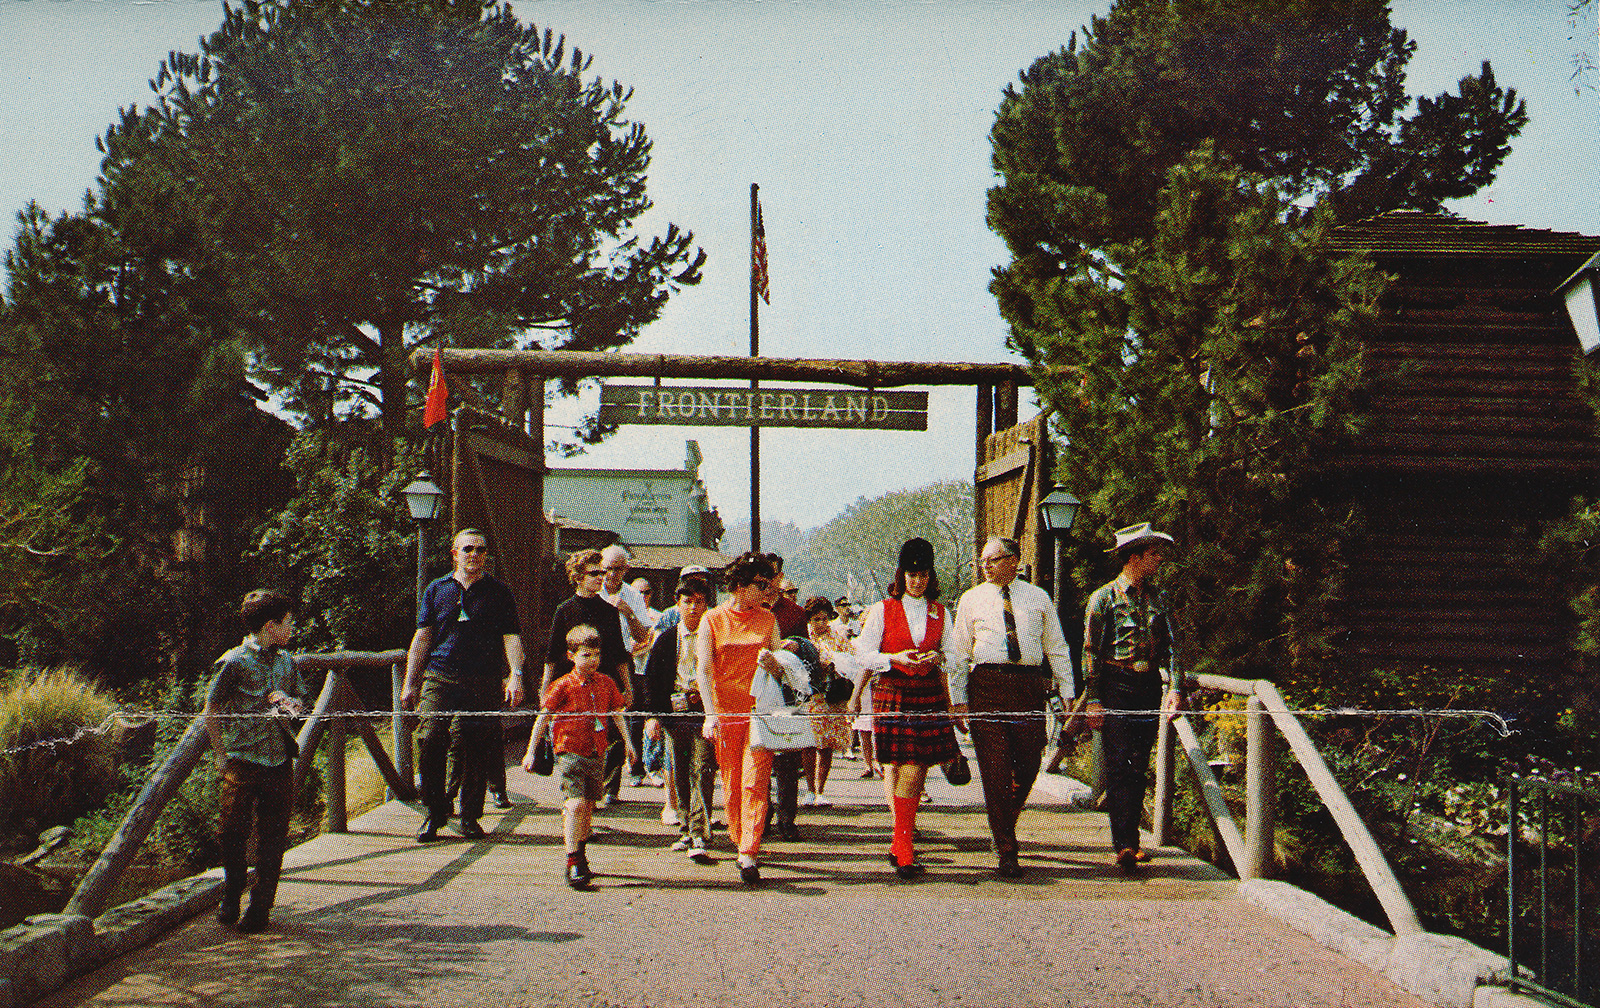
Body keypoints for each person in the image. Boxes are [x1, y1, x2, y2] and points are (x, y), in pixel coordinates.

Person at [948, 536, 1075, 878]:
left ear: (1014, 560)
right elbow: (959, 654)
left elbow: (1057, 646)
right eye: (982, 561)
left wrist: (1067, 688)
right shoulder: (971, 599)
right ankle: (1007, 847)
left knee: (1031, 760)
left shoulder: (1038, 598)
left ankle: (1004, 821)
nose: (984, 566)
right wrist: (957, 699)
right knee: (995, 768)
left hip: (1027, 686)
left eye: (992, 559)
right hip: (985, 686)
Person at [402, 529, 526, 843]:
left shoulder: (499, 592)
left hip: (482, 678)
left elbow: (511, 636)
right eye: (468, 549)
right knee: (429, 736)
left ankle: (470, 815)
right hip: (440, 675)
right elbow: (423, 638)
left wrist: (515, 675)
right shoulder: (437, 589)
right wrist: (410, 683)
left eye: (481, 549)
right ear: (455, 553)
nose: (475, 554)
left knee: (476, 744)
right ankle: (435, 811)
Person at [852, 539, 960, 879]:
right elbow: (863, 655)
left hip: (927, 694)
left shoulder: (941, 611)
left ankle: (901, 844)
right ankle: (903, 846)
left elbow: (956, 656)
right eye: (912, 574)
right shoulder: (883, 608)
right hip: (893, 691)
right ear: (903, 575)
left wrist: (939, 656)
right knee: (901, 769)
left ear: (930, 575)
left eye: (924, 574)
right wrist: (893, 659)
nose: (917, 581)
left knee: (915, 769)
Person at [1084, 522, 1187, 873]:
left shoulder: (1159, 598)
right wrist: (1093, 698)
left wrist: (1174, 688)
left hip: (1147, 687)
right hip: (1115, 683)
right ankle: (1124, 843)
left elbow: (1172, 647)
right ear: (1134, 557)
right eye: (1153, 553)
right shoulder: (1104, 598)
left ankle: (1131, 839)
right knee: (1118, 762)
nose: (1159, 559)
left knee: (1139, 763)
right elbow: (1090, 653)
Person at [203, 590, 304, 933]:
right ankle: (232, 891)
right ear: (271, 625)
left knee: (274, 836)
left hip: (278, 761)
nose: (293, 628)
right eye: (289, 622)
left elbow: (299, 705)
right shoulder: (233, 661)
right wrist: (219, 754)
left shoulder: (287, 662)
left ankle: (261, 907)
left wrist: (288, 704)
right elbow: (212, 707)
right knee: (232, 831)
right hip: (242, 760)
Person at [696, 551, 784, 885]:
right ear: (739, 585)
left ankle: (749, 851)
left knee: (755, 780)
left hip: (760, 712)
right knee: (732, 784)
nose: (766, 591)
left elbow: (782, 666)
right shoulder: (712, 619)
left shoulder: (768, 620)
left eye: (768, 584)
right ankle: (738, 838)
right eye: (760, 585)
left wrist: (775, 663)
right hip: (726, 713)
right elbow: (704, 669)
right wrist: (710, 714)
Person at [523, 624, 634, 889]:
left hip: (597, 751)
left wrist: (629, 744)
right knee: (575, 804)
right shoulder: (562, 685)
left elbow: (617, 712)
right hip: (569, 751)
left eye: (596, 655)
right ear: (572, 656)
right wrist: (530, 750)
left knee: (588, 806)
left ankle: (581, 854)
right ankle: (572, 860)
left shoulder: (606, 683)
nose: (592, 660)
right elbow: (543, 717)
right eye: (585, 655)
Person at [542, 549, 634, 808]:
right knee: (573, 742)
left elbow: (618, 654)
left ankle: (590, 800)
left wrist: (627, 688)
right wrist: (544, 689)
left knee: (601, 741)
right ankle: (576, 804)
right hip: (571, 688)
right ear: (578, 577)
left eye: (603, 572)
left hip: (602, 688)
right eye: (595, 573)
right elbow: (551, 654)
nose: (601, 577)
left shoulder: (609, 610)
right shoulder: (564, 610)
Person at [641, 576, 718, 862]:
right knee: (680, 770)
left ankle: (700, 830)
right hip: (675, 714)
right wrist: (654, 716)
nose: (694, 609)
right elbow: (651, 679)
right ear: (677, 604)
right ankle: (687, 825)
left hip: (703, 712)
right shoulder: (667, 638)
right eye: (688, 602)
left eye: (699, 602)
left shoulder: (713, 635)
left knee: (704, 767)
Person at [598, 545, 653, 787]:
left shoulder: (633, 595)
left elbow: (643, 636)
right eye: (606, 569)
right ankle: (589, 783)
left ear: (626, 569)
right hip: (592, 661)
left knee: (620, 724)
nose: (611, 575)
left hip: (621, 663)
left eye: (617, 569)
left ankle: (610, 784)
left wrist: (628, 613)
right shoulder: (592, 589)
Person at [801, 597, 854, 806]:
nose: (821, 623)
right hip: (810, 695)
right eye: (816, 619)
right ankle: (809, 789)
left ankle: (821, 789)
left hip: (833, 696)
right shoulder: (804, 638)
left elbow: (852, 658)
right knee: (809, 743)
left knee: (826, 745)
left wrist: (838, 665)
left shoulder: (838, 637)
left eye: (824, 619)